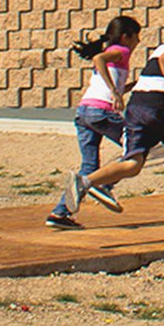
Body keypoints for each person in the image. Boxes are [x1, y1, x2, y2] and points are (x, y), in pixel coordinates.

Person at [77, 8, 164, 231]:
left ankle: (85, 182)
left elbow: (155, 71)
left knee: (134, 162)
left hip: (136, 106)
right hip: (157, 108)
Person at [46, 14, 141, 229]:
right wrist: (116, 94)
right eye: (137, 36)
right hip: (101, 111)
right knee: (136, 148)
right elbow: (98, 60)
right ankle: (105, 185)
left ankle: (59, 214)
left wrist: (130, 86)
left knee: (89, 166)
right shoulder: (121, 51)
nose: (139, 42)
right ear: (126, 37)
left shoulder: (114, 54)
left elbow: (108, 80)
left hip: (85, 112)